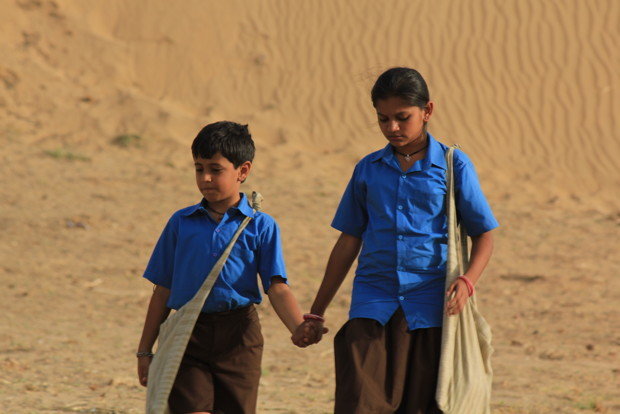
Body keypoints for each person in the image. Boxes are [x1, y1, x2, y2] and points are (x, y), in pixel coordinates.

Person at [292, 67, 499, 413]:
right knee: (358, 399)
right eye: (383, 119)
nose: (392, 128)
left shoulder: (453, 165)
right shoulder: (367, 169)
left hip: (432, 306)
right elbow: (347, 242)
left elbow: (484, 235)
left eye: (402, 118)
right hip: (372, 300)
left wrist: (467, 281)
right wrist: (317, 311)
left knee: (422, 405)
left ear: (427, 111)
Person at [136, 121, 319, 414]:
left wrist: (298, 327)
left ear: (243, 171)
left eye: (215, 169)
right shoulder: (181, 223)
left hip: (240, 337)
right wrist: (145, 350)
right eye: (198, 168)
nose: (205, 178)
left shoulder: (261, 226)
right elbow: (162, 290)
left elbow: (277, 287)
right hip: (187, 335)